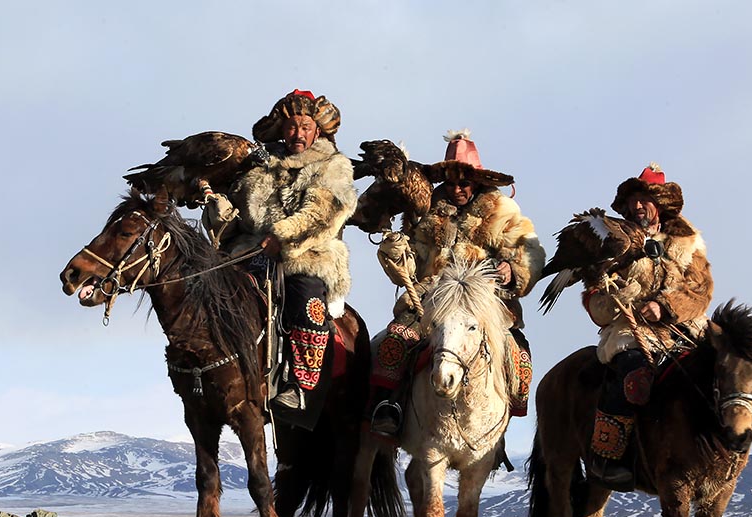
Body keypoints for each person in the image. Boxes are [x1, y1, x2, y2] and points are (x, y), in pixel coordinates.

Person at [369, 130, 546, 440]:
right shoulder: (424, 211)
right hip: (431, 296)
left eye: (463, 183)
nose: (456, 189)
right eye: (450, 183)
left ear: (477, 181)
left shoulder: (503, 212)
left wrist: (512, 269)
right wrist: (398, 254)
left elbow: (529, 250)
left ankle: (501, 417)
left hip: (484, 298)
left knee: (517, 354)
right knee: (396, 338)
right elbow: (412, 261)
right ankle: (389, 406)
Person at [218, 89, 357, 411]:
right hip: (251, 253)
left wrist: (282, 237)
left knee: (305, 297)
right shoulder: (257, 165)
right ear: (282, 129)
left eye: (305, 126)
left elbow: (323, 213)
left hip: (308, 256)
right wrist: (219, 216)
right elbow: (240, 213)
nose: (298, 133)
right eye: (292, 126)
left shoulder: (333, 165)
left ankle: (299, 384)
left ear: (317, 130)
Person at [582, 163, 714, 487]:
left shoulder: (689, 242)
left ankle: (720, 450)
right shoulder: (614, 239)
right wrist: (622, 300)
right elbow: (594, 292)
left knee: (725, 368)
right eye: (633, 200)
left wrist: (666, 306)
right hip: (631, 328)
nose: (637, 206)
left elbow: (701, 290)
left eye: (645, 199)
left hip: (683, 325)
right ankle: (608, 456)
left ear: (661, 204)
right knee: (635, 373)